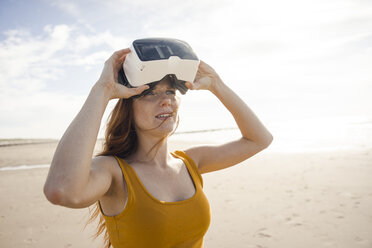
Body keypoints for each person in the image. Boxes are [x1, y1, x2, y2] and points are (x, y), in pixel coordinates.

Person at [44, 47, 273, 248]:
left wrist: (216, 84)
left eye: (170, 91)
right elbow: (62, 190)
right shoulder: (115, 172)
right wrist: (102, 90)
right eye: (150, 93)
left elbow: (259, 139)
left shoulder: (190, 162)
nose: (165, 100)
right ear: (128, 109)